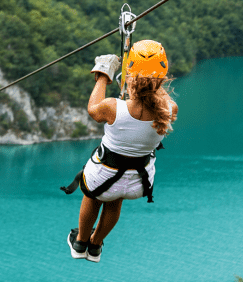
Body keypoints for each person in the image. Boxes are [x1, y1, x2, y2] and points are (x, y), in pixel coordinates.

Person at [62, 40, 178, 262]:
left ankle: (81, 242)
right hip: (137, 182)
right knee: (115, 199)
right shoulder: (169, 108)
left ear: (131, 76)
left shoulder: (114, 107)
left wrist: (103, 75)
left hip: (103, 175)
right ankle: (95, 246)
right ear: (162, 78)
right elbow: (151, 104)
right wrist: (138, 87)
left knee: (92, 195)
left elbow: (93, 110)